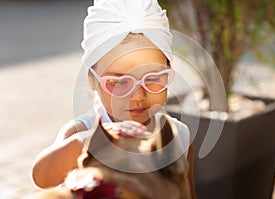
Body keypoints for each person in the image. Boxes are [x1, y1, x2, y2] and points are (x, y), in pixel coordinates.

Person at [32, 0, 195, 198]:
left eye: (152, 79)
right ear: (93, 80)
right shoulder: (83, 130)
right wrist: (90, 141)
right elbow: (41, 176)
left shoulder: (178, 136)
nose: (137, 96)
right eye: (119, 82)